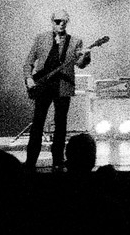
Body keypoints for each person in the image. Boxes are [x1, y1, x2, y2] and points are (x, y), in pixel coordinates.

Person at [22, 9, 93, 171]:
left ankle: (58, 160)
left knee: (61, 124)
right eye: (57, 21)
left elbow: (80, 64)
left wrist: (86, 56)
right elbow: (28, 63)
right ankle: (30, 160)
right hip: (43, 85)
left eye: (64, 21)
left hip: (62, 86)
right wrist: (29, 78)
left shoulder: (75, 41)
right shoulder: (41, 39)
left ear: (68, 22)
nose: (61, 24)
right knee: (38, 122)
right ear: (52, 21)